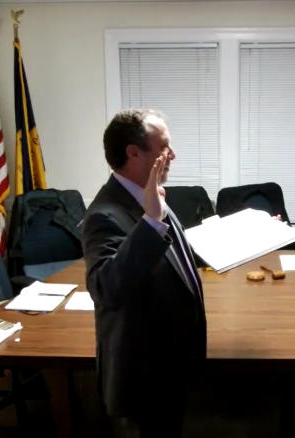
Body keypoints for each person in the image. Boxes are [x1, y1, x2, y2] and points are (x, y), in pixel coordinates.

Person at [82, 109, 206, 438]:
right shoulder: (104, 213)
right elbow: (105, 287)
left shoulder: (146, 194)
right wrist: (152, 219)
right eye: (164, 147)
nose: (173, 155)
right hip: (142, 372)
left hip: (168, 360)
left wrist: (245, 235)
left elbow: (173, 253)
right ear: (134, 153)